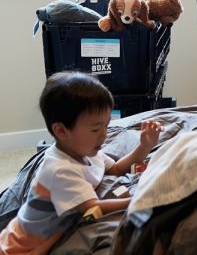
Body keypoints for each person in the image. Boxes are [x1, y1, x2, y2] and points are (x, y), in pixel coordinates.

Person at [0, 71, 162, 254]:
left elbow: (116, 169)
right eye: (95, 129)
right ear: (61, 131)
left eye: (106, 126)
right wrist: (137, 199)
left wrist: (145, 146)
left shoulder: (85, 149)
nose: (104, 135)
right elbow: (93, 207)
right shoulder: (60, 170)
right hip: (22, 246)